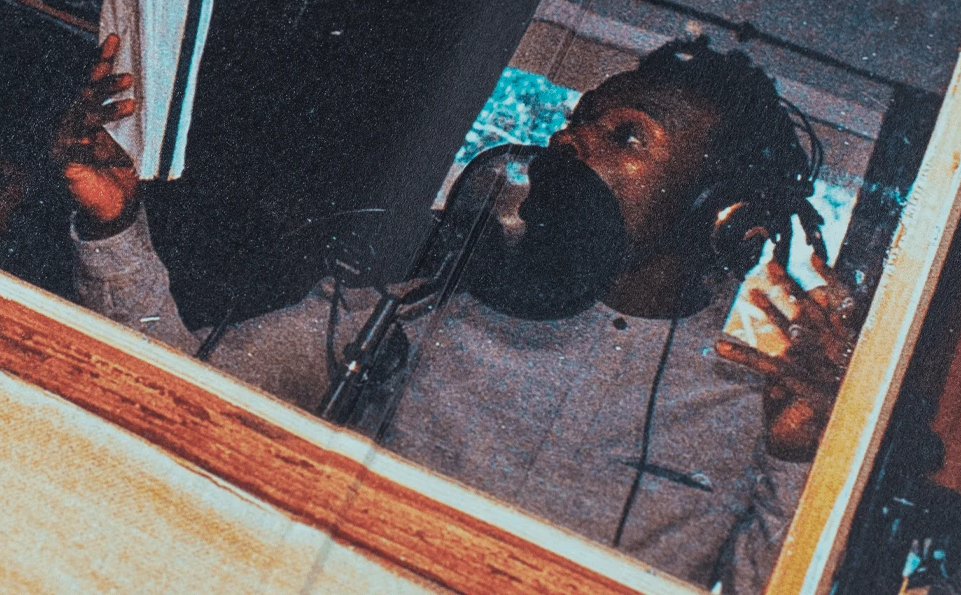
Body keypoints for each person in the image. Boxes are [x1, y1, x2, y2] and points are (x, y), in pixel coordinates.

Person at [54, 33, 857, 594]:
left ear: (718, 213)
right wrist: (115, 226)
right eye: (577, 120)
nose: (572, 142)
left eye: (627, 136)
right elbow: (173, 387)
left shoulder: (751, 410)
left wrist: (801, 456)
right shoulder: (422, 310)